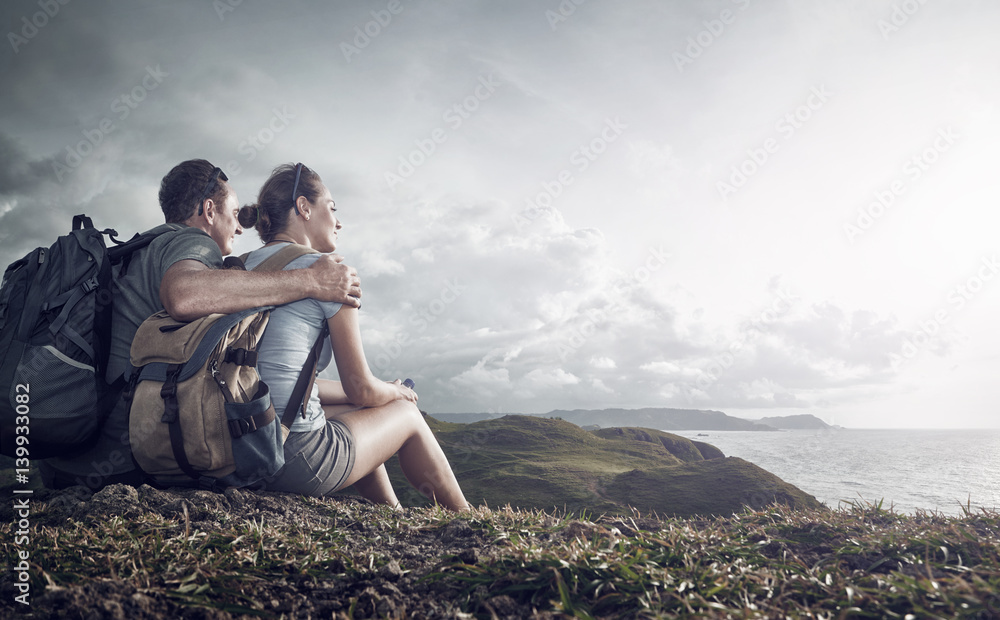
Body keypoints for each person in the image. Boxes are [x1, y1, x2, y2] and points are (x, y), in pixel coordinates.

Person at [40, 159, 363, 491]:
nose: (240, 229)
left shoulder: (139, 249)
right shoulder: (192, 244)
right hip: (125, 461)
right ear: (210, 211)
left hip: (62, 461)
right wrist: (312, 280)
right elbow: (184, 297)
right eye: (235, 215)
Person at [239, 163, 469, 512]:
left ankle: (393, 514)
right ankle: (465, 517)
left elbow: (293, 379)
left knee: (363, 408)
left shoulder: (239, 270)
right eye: (332, 208)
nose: (338, 221)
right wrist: (398, 392)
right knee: (404, 413)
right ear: (304, 207)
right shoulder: (330, 275)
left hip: (236, 447)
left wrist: (377, 392)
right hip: (291, 456)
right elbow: (362, 387)